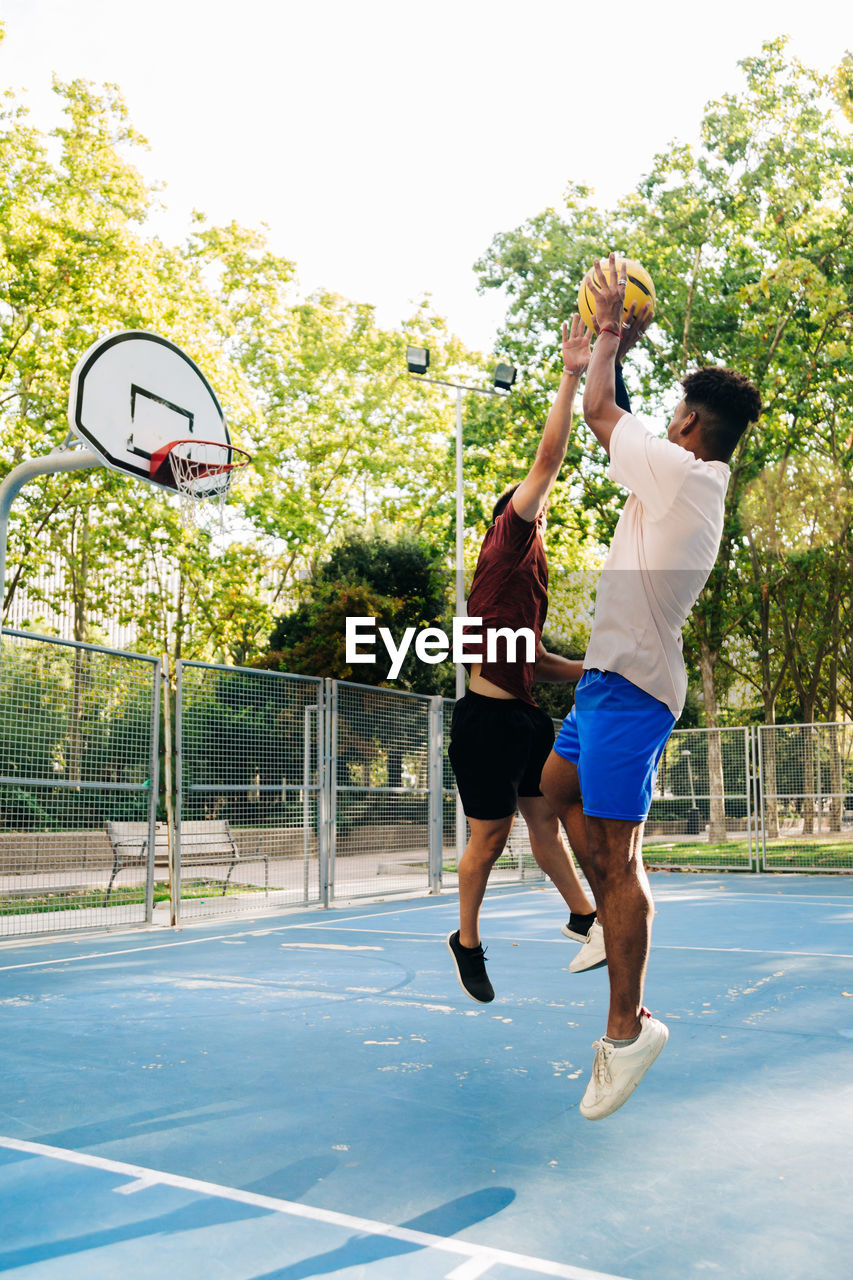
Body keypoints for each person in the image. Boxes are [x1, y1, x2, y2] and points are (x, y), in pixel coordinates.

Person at [541, 253, 762, 1120]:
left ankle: (628, 1031)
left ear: (691, 429)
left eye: (672, 415)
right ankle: (605, 918)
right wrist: (617, 347)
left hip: (633, 692)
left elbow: (600, 412)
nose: (661, 424)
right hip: (606, 684)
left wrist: (604, 335)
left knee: (616, 857)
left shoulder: (682, 476)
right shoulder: (681, 473)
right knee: (553, 792)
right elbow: (621, 408)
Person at [446, 312, 646, 1004]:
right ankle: (466, 941)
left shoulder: (532, 574)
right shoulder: (505, 540)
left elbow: (531, 661)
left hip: (524, 715)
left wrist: (595, 666)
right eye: (535, 500)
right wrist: (570, 374)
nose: (544, 502)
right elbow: (547, 462)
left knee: (551, 817)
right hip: (483, 720)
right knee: (491, 838)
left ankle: (581, 916)